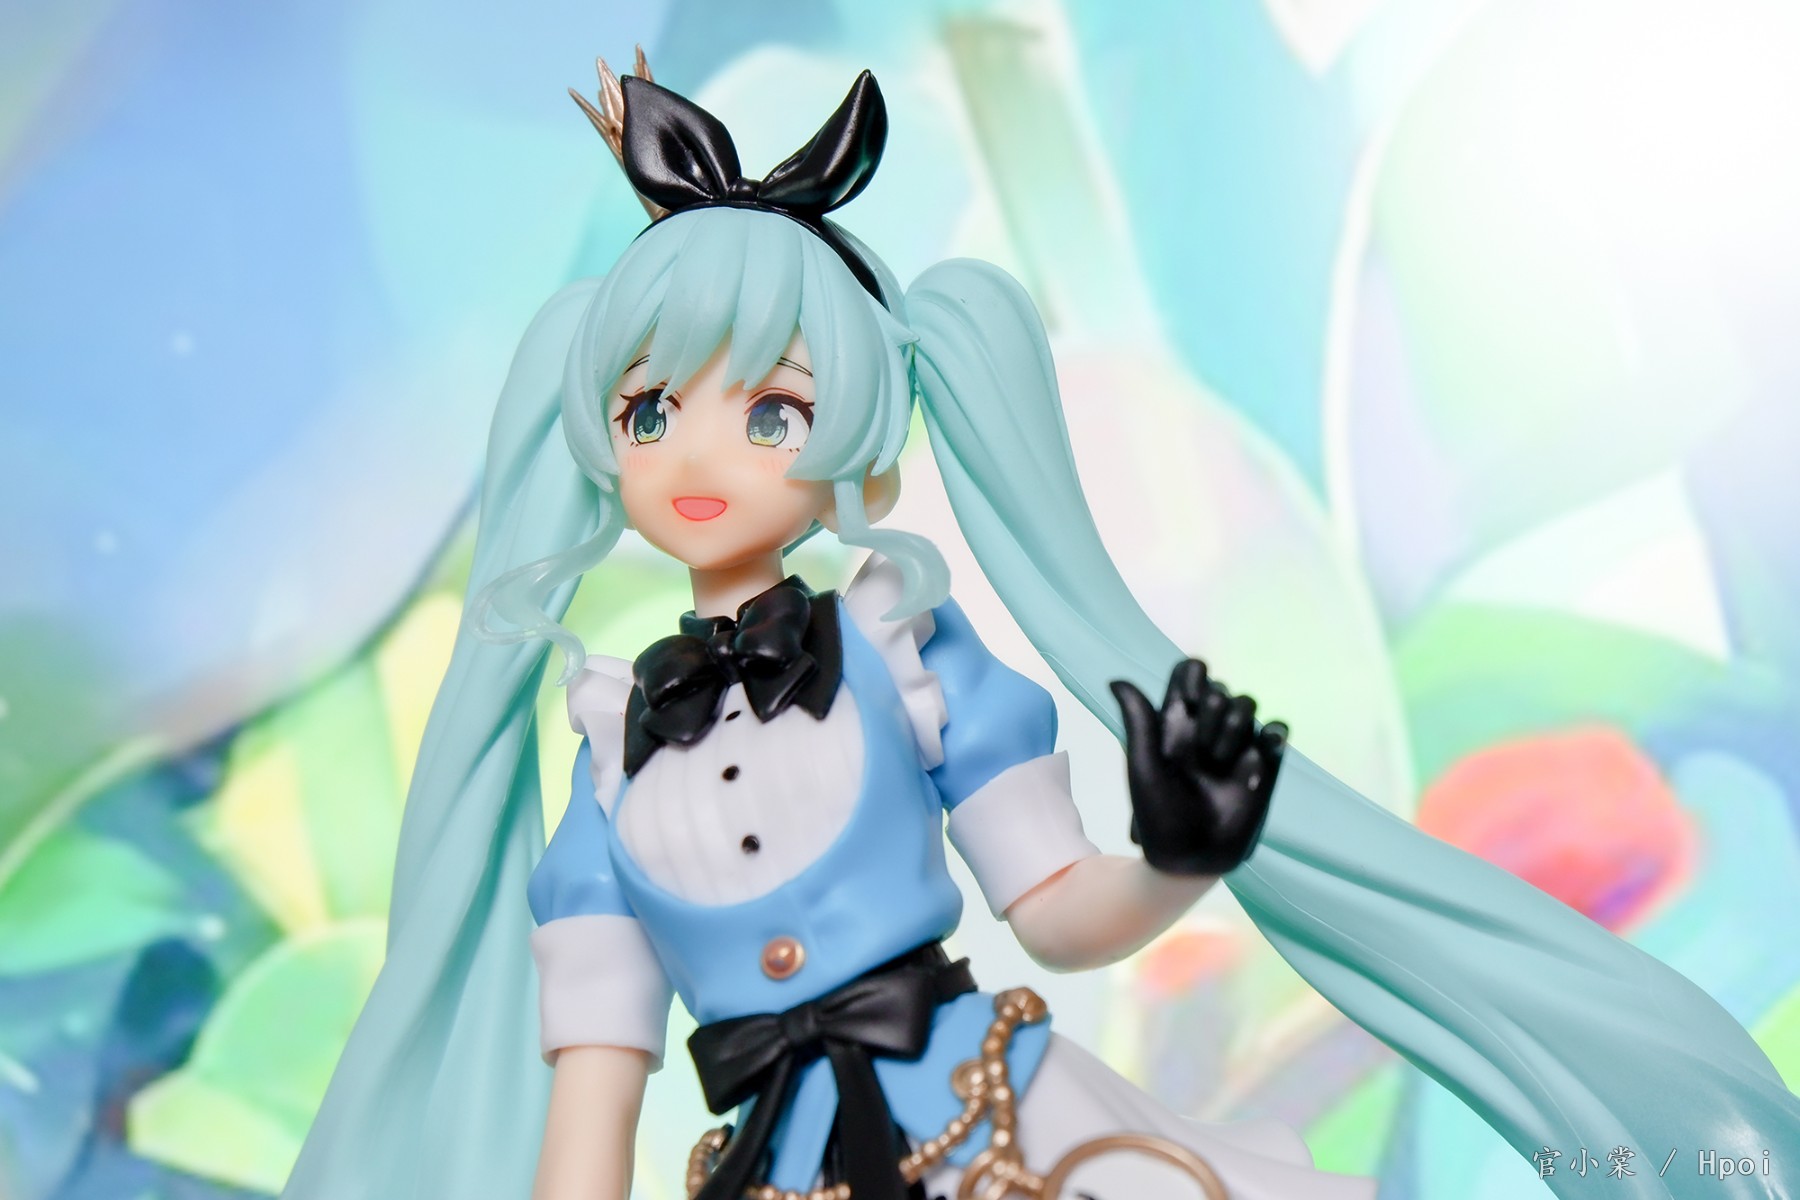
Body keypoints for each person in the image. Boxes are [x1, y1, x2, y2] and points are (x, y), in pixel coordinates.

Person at [282, 66, 1800, 1200]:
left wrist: (1181, 853)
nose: (698, 454)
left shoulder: (903, 654)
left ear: (854, 446)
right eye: (651, 409)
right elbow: (594, 1094)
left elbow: (1060, 911)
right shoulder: (611, 758)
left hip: (1001, 1118)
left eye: (772, 411)